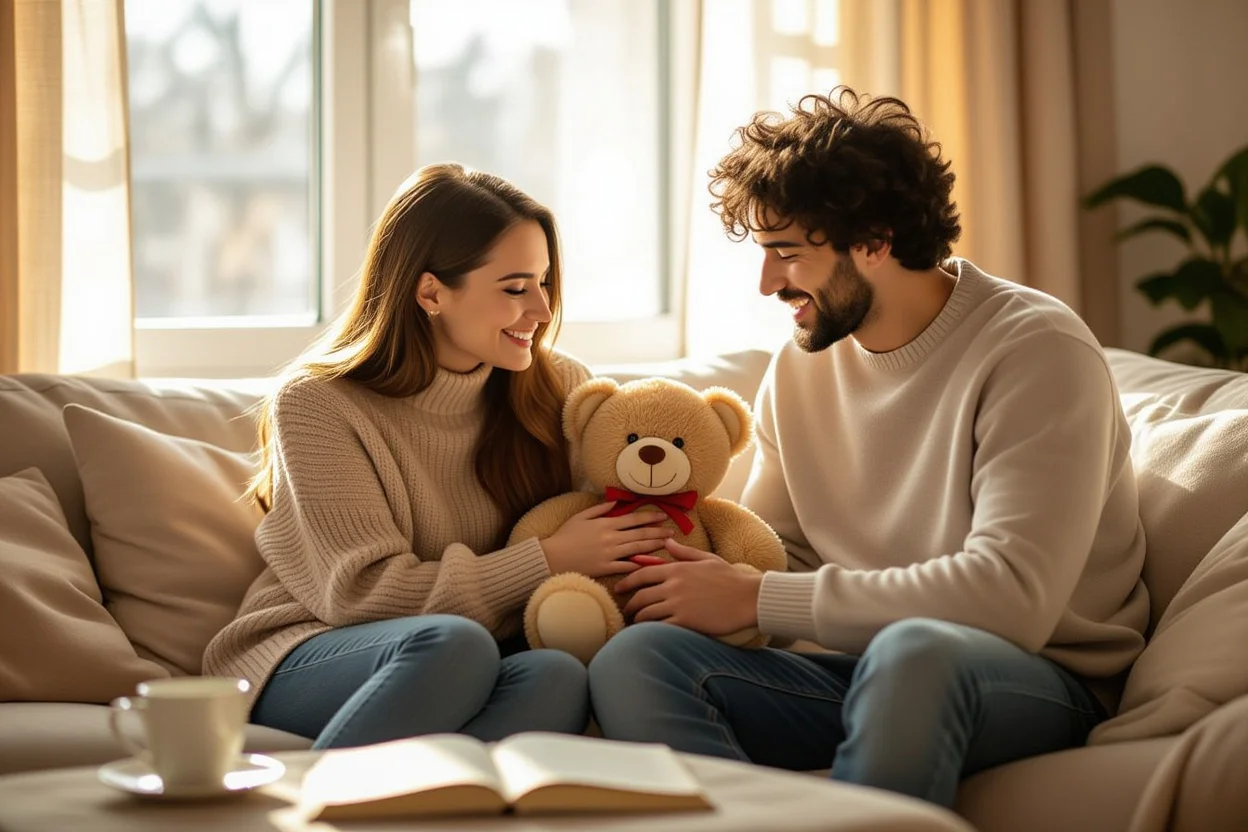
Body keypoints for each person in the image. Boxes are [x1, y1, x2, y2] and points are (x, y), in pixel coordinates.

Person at [587, 88, 1150, 808]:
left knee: (914, 652)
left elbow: (1013, 598)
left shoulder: (1036, 349)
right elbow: (778, 551)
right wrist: (666, 568)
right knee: (640, 659)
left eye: (785, 253)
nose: (767, 284)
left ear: (876, 242)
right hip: (859, 666)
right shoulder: (801, 366)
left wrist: (758, 598)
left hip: (1030, 676)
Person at [202, 164, 675, 749]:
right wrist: (545, 559)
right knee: (454, 643)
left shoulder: (564, 389)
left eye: (545, 282)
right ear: (430, 292)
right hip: (304, 651)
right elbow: (358, 595)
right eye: (515, 287)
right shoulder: (317, 403)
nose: (543, 310)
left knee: (558, 674)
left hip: (477, 657)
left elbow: (618, 538)